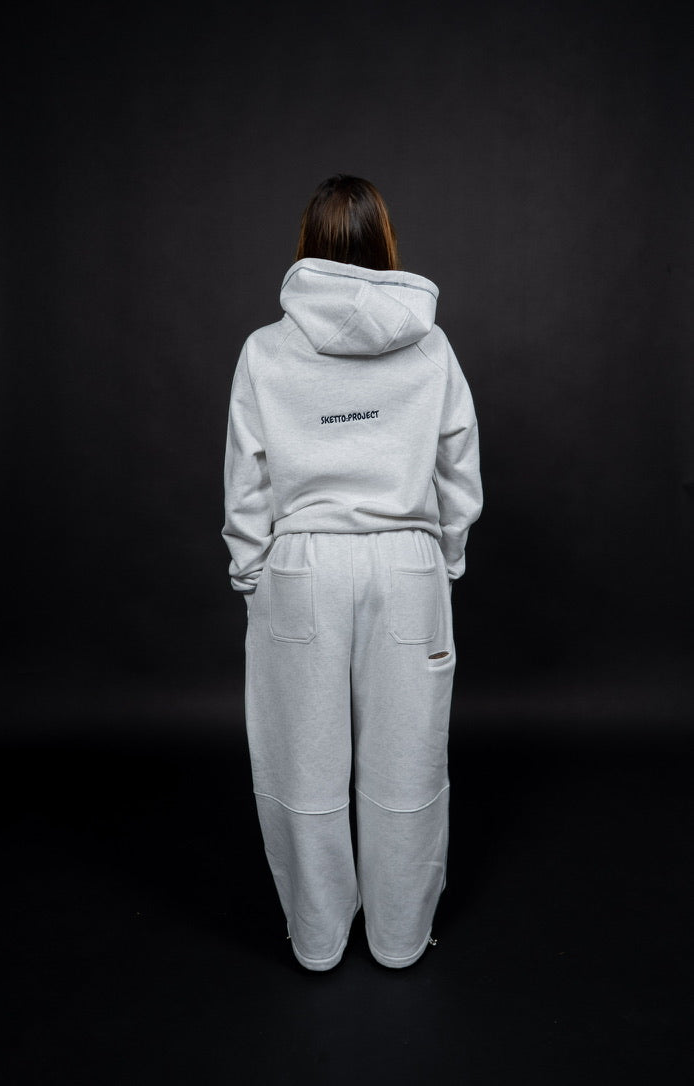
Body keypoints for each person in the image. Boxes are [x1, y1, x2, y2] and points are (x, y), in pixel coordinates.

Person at [221, 174, 483, 971]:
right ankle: (400, 939)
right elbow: (459, 470)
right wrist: (445, 559)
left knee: (301, 763)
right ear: (384, 242)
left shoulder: (266, 350)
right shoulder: (431, 346)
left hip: (302, 565)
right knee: (409, 760)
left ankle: (318, 939)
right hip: (406, 563)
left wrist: (252, 575)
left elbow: (247, 485)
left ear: (307, 244)